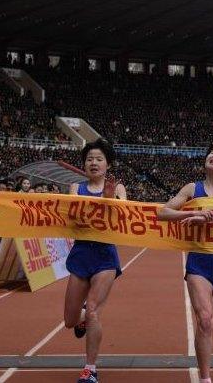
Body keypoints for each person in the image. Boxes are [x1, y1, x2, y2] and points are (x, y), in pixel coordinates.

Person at [159, 141, 213, 383]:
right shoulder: (192, 188)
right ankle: (205, 379)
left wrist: (212, 220)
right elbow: (163, 212)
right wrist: (192, 213)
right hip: (198, 262)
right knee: (205, 320)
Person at [62, 140, 126, 383]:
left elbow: (124, 219)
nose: (94, 163)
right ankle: (81, 319)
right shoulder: (75, 187)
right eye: (90, 159)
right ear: (84, 164)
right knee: (70, 320)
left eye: (99, 159)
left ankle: (90, 369)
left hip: (105, 256)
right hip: (81, 254)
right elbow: (72, 218)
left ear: (107, 164)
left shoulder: (118, 188)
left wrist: (111, 201)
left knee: (93, 311)